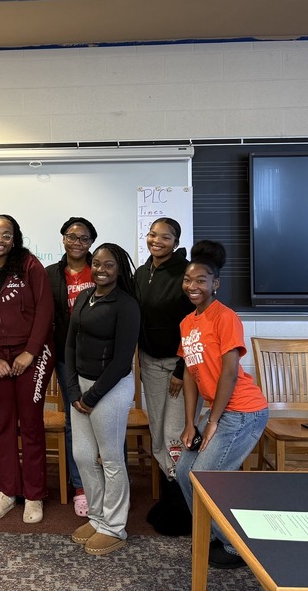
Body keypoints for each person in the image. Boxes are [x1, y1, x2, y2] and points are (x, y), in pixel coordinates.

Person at [176, 240, 269, 570]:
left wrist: (211, 422)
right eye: (188, 280)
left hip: (242, 411)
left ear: (215, 283)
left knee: (205, 476)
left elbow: (229, 372)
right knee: (183, 472)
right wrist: (191, 423)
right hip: (217, 410)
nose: (193, 286)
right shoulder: (188, 322)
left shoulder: (225, 317)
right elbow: (190, 373)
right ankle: (215, 532)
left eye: (201, 280)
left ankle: (235, 546)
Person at [0, 214, 55, 524]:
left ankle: (34, 494)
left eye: (6, 234)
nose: (0, 239)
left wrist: (30, 352)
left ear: (14, 238)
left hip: (33, 354)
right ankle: (8, 491)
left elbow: (45, 309)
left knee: (29, 424)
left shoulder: (30, 267)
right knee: (4, 423)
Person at [66, 242, 140, 556]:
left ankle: (114, 527)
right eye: (96, 263)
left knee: (110, 459)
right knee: (83, 456)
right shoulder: (84, 296)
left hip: (110, 388)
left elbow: (123, 361)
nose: (100, 269)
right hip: (81, 388)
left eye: (108, 264)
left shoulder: (127, 305)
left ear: (119, 269)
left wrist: (92, 397)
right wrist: (73, 391)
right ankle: (97, 519)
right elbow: (70, 345)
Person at [133, 217, 194, 535]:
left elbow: (194, 324)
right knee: (158, 435)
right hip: (149, 364)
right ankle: (173, 499)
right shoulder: (142, 273)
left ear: (175, 241)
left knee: (175, 437)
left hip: (176, 368)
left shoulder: (185, 275)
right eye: (153, 235)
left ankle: (185, 507)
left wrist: (182, 371)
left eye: (165, 237)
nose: (157, 240)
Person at [45, 216, 98, 518]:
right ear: (63, 238)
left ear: (91, 242)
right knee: (73, 421)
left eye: (84, 238)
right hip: (66, 357)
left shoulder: (102, 268)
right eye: (72, 236)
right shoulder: (51, 274)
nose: (77, 242)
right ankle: (80, 486)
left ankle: (102, 483)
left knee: (101, 421)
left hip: (99, 359)